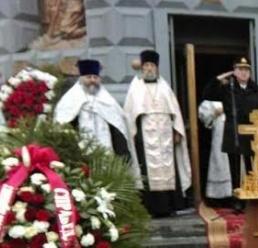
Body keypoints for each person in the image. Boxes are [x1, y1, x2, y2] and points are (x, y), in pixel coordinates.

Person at [123, 50, 191, 218]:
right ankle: (151, 208)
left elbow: (175, 112)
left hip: (166, 135)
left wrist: (177, 132)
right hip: (145, 136)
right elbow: (130, 114)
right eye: (146, 65)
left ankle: (171, 206)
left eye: (152, 65)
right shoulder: (136, 87)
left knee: (169, 169)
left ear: (157, 68)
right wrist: (134, 134)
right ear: (142, 68)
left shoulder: (165, 87)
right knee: (147, 171)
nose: (149, 68)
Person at [201, 57, 258, 207]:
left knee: (252, 168)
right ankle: (238, 199)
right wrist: (220, 78)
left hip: (252, 135)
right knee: (235, 170)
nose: (244, 73)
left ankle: (253, 198)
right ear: (234, 72)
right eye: (240, 69)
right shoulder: (227, 89)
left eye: (246, 70)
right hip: (234, 135)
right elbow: (207, 94)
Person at [54, 59, 138, 175]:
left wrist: (123, 155)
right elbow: (63, 127)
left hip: (107, 154)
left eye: (95, 77)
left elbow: (118, 129)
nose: (92, 80)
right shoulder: (70, 101)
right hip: (80, 157)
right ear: (81, 78)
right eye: (89, 77)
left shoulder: (108, 101)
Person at [197, 99, 232, 203]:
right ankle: (218, 198)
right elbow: (203, 114)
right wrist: (215, 112)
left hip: (234, 134)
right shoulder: (212, 95)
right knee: (219, 162)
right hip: (219, 135)